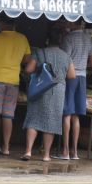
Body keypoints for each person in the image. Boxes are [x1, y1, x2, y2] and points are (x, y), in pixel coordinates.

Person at [21, 28, 76, 162]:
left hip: (40, 88)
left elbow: (29, 69)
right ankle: (46, 155)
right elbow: (72, 75)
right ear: (60, 41)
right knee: (51, 122)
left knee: (34, 119)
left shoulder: (39, 52)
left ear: (47, 40)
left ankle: (28, 151)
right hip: (57, 91)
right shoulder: (66, 56)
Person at [0, 14, 31, 156]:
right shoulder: (22, 39)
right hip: (13, 81)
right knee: (8, 115)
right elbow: (28, 58)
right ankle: (6, 148)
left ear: (2, 23)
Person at [56, 19, 92, 160]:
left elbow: (63, 60)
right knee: (76, 116)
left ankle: (65, 152)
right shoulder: (88, 38)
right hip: (82, 78)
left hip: (70, 77)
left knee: (67, 113)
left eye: (68, 22)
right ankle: (75, 153)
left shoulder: (69, 39)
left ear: (73, 24)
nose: (67, 24)